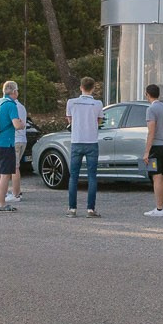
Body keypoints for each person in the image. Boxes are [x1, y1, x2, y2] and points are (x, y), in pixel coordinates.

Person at [64, 76, 102, 219]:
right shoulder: (97, 104)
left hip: (77, 140)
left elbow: (70, 120)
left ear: (81, 87)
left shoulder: (72, 102)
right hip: (91, 141)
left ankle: (72, 208)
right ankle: (90, 209)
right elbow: (99, 121)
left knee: (74, 176)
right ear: (93, 88)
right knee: (92, 176)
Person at [0, 79, 25, 212]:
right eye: (17, 91)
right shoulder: (11, 105)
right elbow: (16, 125)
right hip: (6, 142)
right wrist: (22, 124)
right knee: (6, 174)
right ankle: (2, 204)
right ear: (14, 91)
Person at [142, 83, 163, 217]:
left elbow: (151, 131)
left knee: (156, 177)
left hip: (156, 146)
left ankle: (159, 209)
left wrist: (147, 151)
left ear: (147, 94)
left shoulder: (151, 109)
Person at [9, 89, 30, 203]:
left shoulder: (12, 106)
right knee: (16, 166)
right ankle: (17, 191)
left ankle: (16, 194)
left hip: (15, 139)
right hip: (23, 139)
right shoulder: (21, 106)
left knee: (14, 168)